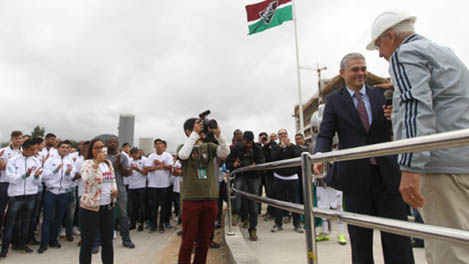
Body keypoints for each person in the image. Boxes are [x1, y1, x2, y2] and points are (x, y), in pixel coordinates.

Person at [366, 10, 469, 263]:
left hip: (439, 167)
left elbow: (416, 105)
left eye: (379, 45)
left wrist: (410, 168)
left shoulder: (405, 54)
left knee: (449, 251)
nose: (380, 54)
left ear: (390, 36)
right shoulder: (443, 52)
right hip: (462, 160)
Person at [313, 52, 414, 264]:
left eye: (363, 69)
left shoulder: (382, 95)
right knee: (360, 242)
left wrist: (394, 117)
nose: (361, 73)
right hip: (355, 179)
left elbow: (398, 126)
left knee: (398, 239)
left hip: (387, 176)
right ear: (342, 73)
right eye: (355, 69)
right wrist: (319, 156)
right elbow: (325, 133)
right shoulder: (333, 101)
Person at [177, 118, 230, 264]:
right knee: (187, 241)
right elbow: (183, 155)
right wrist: (194, 135)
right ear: (189, 131)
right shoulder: (183, 147)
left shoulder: (210, 146)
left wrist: (219, 134)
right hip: (191, 200)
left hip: (210, 199)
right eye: (198, 127)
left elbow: (225, 152)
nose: (202, 129)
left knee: (204, 242)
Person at [0, 139, 42, 258]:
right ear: (25, 149)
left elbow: (38, 181)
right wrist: (24, 176)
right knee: (10, 223)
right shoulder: (13, 161)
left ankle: (22, 244)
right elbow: (10, 178)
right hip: (16, 196)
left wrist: (36, 177)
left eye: (35, 149)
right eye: (32, 149)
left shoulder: (36, 161)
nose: (34, 152)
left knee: (26, 221)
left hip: (30, 195)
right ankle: (4, 249)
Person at [79, 138, 118, 264]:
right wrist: (96, 163)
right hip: (90, 209)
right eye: (96, 148)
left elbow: (112, 180)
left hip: (107, 207)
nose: (100, 150)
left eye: (102, 147)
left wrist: (114, 190)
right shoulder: (87, 163)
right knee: (87, 244)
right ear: (91, 150)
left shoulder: (108, 164)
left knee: (107, 243)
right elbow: (87, 179)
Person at [227, 131, 265, 241]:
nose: (248, 145)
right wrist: (234, 165)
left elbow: (262, 163)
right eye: (246, 142)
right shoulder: (235, 148)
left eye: (250, 143)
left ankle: (253, 229)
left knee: (253, 202)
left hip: (253, 177)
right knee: (236, 191)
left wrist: (256, 165)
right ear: (242, 140)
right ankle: (235, 213)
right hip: (240, 175)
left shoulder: (257, 149)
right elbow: (228, 164)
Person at [39, 140, 75, 253]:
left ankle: (53, 240)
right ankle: (43, 243)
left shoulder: (70, 161)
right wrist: (55, 171)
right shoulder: (50, 160)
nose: (65, 149)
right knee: (47, 218)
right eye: (63, 147)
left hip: (63, 193)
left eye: (67, 147)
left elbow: (71, 177)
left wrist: (68, 173)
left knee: (58, 219)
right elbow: (44, 176)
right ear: (58, 148)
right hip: (51, 192)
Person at [270, 129, 304, 234]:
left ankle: (297, 224)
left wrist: (289, 146)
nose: (283, 135)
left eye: (284, 133)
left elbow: (298, 157)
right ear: (278, 136)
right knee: (279, 202)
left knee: (295, 201)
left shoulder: (294, 146)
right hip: (279, 177)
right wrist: (281, 147)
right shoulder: (275, 147)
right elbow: (273, 158)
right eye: (280, 134)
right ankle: (278, 223)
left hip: (292, 177)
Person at [104, 137, 135, 248]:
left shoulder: (123, 156)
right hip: (105, 190)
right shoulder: (102, 157)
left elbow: (126, 173)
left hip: (120, 189)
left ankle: (126, 239)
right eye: (110, 142)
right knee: (104, 215)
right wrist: (115, 164)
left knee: (123, 214)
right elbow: (105, 171)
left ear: (117, 145)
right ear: (106, 144)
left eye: (115, 142)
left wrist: (120, 164)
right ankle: (100, 240)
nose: (112, 143)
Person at [144, 138, 173, 233]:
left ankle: (161, 225)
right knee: (153, 206)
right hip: (153, 185)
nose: (158, 145)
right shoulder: (151, 156)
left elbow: (170, 167)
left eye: (160, 144)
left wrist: (160, 164)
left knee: (164, 206)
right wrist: (159, 167)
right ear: (154, 146)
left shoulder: (167, 155)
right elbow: (147, 168)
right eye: (156, 144)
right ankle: (154, 225)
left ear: (163, 146)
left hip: (165, 185)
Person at [0, 131, 23, 233]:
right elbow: (2, 167)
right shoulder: (3, 151)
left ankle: (10, 235)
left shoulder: (23, 152)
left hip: (17, 184)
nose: (18, 140)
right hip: (5, 183)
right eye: (16, 138)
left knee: (14, 212)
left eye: (20, 138)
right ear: (12, 139)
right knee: (1, 210)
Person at [128, 147, 147, 231]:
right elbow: (127, 173)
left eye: (137, 153)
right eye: (134, 154)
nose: (135, 155)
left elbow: (146, 172)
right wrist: (131, 170)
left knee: (142, 206)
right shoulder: (129, 160)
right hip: (131, 186)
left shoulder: (144, 160)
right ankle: (133, 223)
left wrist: (137, 169)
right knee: (132, 207)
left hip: (141, 186)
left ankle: (141, 223)